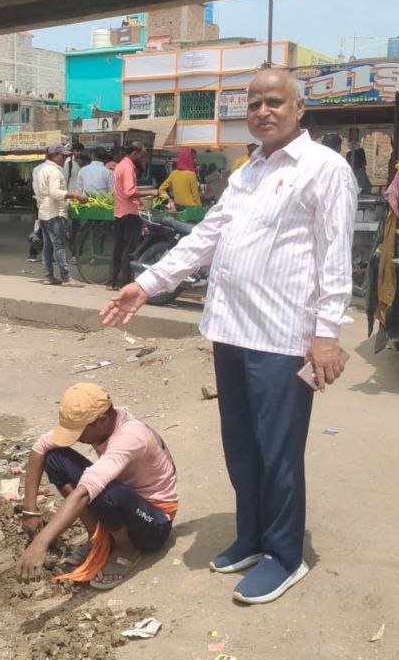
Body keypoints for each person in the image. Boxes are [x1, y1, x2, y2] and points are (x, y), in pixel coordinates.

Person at [100, 68, 356, 604]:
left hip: (284, 337)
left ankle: (285, 555)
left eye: (274, 102)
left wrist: (326, 333)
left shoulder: (324, 169)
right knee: (240, 445)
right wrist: (146, 284)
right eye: (255, 103)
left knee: (278, 450)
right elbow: (208, 236)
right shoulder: (247, 171)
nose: (263, 111)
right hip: (232, 331)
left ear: (298, 108)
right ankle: (252, 535)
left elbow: (335, 257)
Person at [16, 383, 178, 589]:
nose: (76, 439)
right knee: (54, 457)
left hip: (153, 521)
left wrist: (41, 542)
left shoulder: (130, 436)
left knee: (101, 491)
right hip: (123, 499)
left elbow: (87, 490)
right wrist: (30, 509)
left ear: (100, 421)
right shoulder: (103, 425)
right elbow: (40, 447)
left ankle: (125, 548)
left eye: (79, 432)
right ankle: (98, 537)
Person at [109, 142, 159, 291]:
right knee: (129, 250)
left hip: (119, 212)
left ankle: (112, 281)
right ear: (134, 153)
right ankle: (125, 283)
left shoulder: (119, 166)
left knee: (119, 248)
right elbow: (130, 192)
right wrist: (151, 192)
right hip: (129, 213)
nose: (142, 159)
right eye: (142, 155)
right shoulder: (128, 167)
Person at [36, 143, 88, 287]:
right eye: (63, 155)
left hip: (45, 212)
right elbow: (54, 192)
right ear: (54, 155)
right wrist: (73, 195)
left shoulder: (43, 169)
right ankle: (66, 277)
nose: (65, 158)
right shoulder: (53, 171)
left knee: (48, 246)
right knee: (59, 246)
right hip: (53, 213)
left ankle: (48, 276)